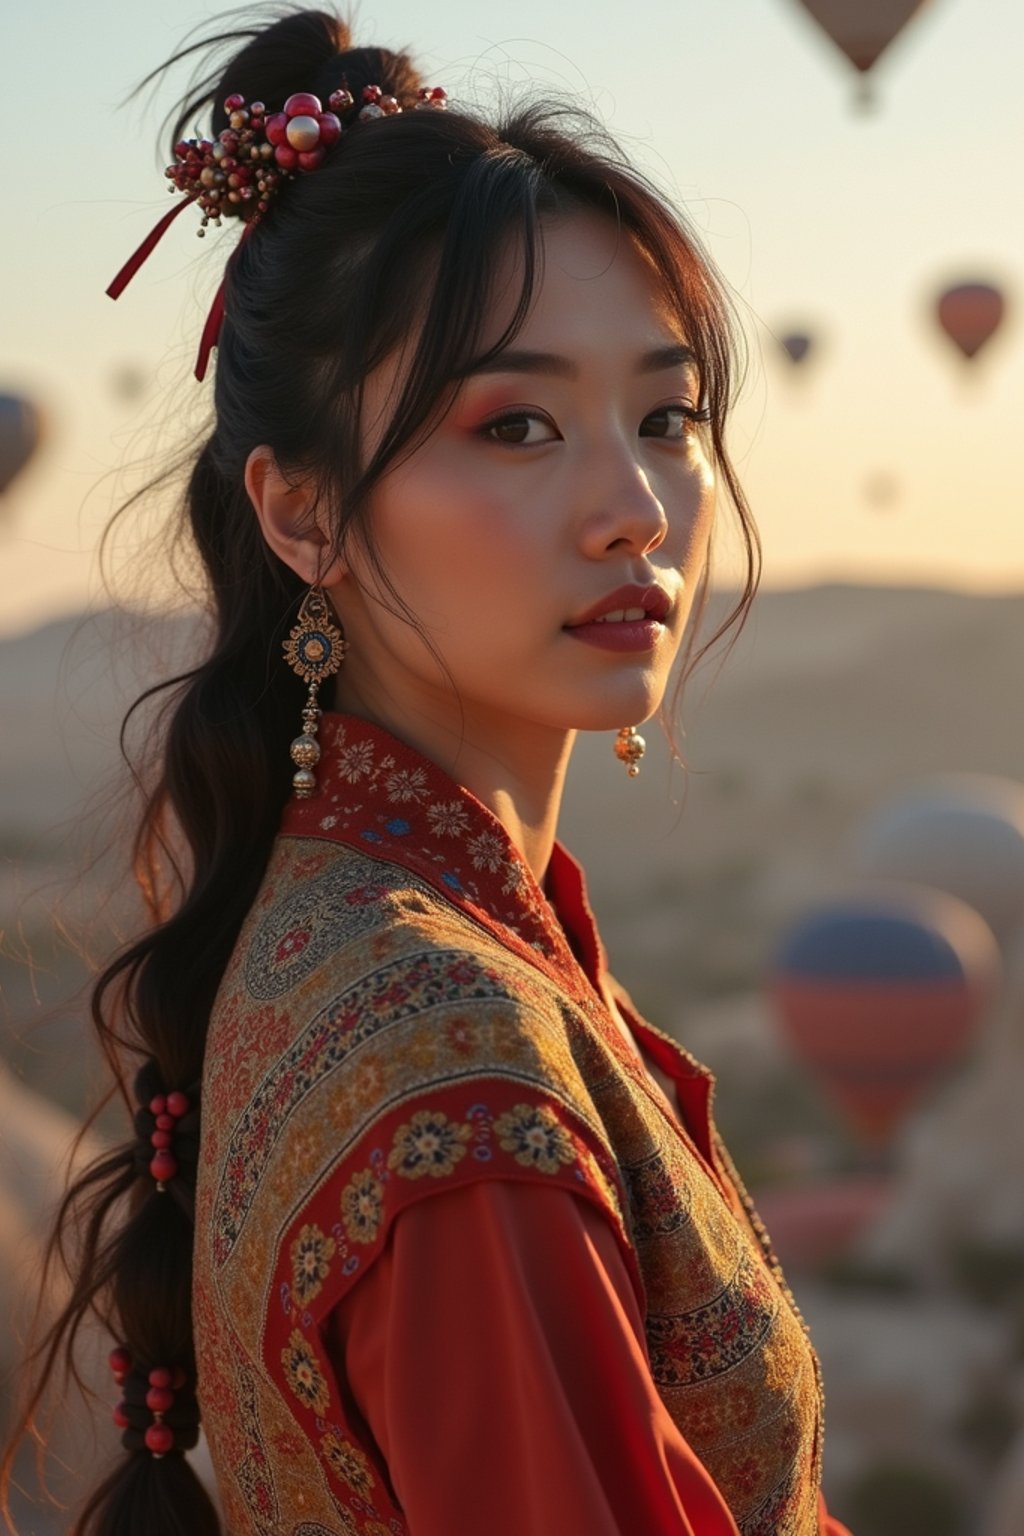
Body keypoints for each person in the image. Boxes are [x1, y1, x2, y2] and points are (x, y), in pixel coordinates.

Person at [4, 8, 854, 1534]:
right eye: (516, 424)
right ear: (303, 515)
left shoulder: (377, 939)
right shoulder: (460, 1076)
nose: (638, 508)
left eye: (668, 417)